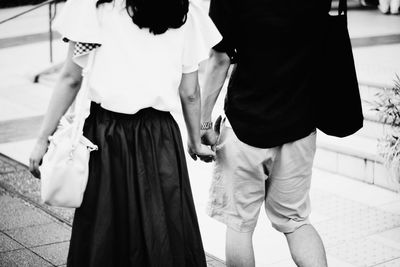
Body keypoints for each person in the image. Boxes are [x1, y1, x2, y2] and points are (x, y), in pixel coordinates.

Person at [29, 0, 221, 265]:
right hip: (160, 137)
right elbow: (190, 93)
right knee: (163, 230)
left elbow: (71, 78)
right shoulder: (182, 7)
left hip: (106, 135)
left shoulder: (92, 5)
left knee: (106, 232)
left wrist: (42, 140)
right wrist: (197, 138)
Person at [200, 0, 331, 266]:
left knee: (239, 226)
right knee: (296, 222)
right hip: (299, 124)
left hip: (246, 125)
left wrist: (202, 124)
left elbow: (220, 58)